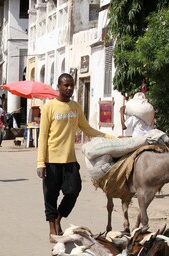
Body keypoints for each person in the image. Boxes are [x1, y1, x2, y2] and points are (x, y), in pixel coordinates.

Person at [37, 73, 114, 241]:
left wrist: (110, 137)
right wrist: (40, 162)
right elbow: (42, 136)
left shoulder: (76, 107)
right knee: (50, 195)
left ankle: (59, 218)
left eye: (72, 85)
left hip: (70, 160)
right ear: (58, 86)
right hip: (51, 160)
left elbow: (87, 129)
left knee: (73, 191)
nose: (69, 88)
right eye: (66, 85)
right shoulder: (49, 107)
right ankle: (52, 229)